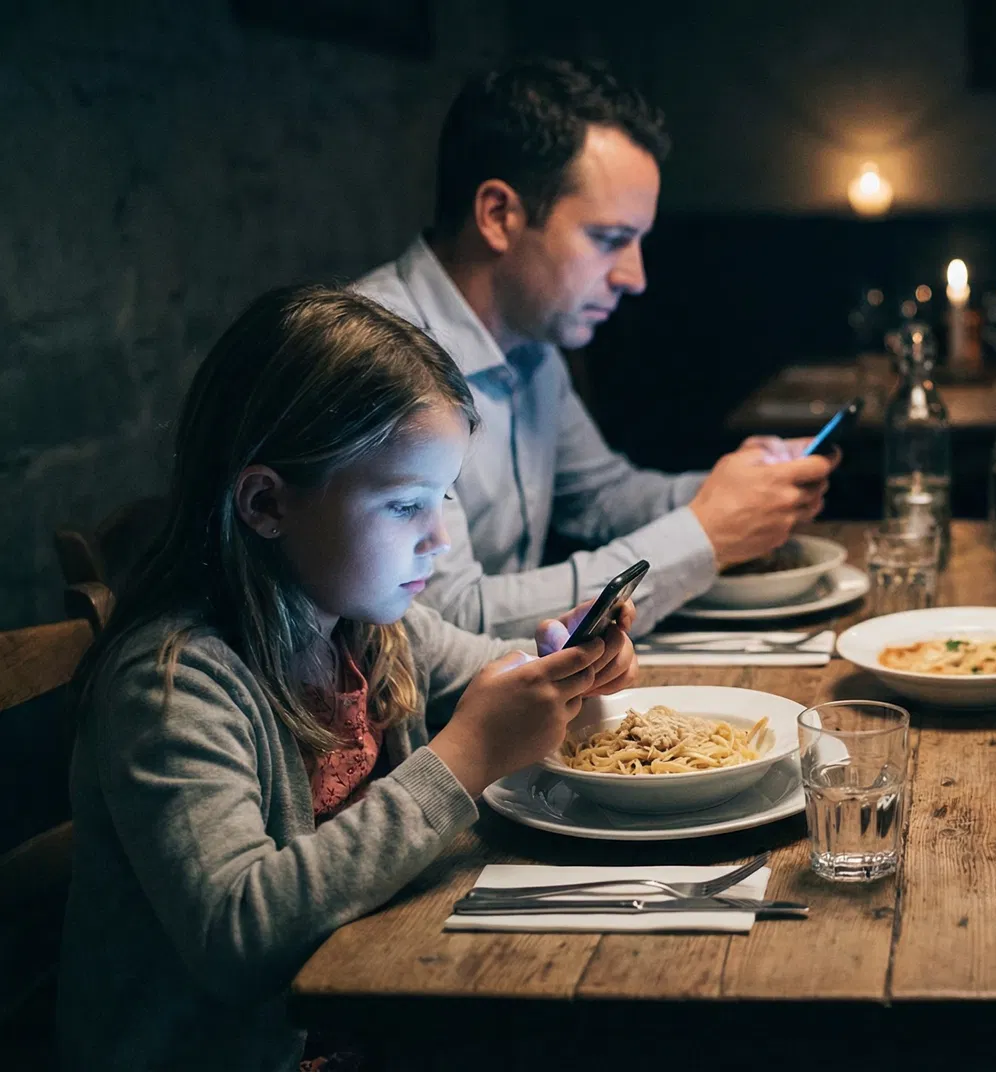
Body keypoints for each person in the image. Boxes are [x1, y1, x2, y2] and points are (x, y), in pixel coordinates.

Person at [60, 286, 646, 1071]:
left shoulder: (365, 625)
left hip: (387, 1009)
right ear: (267, 504)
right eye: (405, 506)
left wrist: (564, 664)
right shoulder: (171, 685)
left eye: (444, 497)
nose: (439, 538)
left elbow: (494, 674)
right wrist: (464, 760)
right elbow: (241, 934)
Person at [356, 58, 834, 639]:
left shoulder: (530, 342)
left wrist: (740, 489)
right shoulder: (373, 356)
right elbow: (448, 620)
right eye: (610, 240)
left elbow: (600, 498)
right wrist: (705, 534)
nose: (634, 277)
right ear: (498, 215)